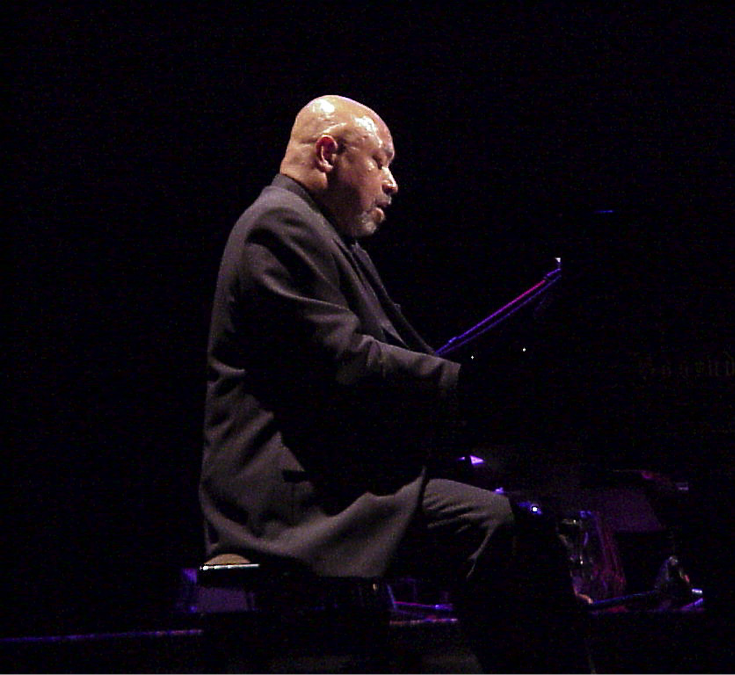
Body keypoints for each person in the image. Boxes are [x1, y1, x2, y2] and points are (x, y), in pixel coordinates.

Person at [200, 95, 593, 674]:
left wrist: (475, 402)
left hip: (336, 474)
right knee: (500, 528)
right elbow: (347, 365)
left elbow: (394, 358)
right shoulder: (278, 226)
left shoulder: (323, 234)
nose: (392, 183)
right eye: (380, 162)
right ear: (328, 153)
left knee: (521, 525)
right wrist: (475, 390)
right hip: (298, 499)